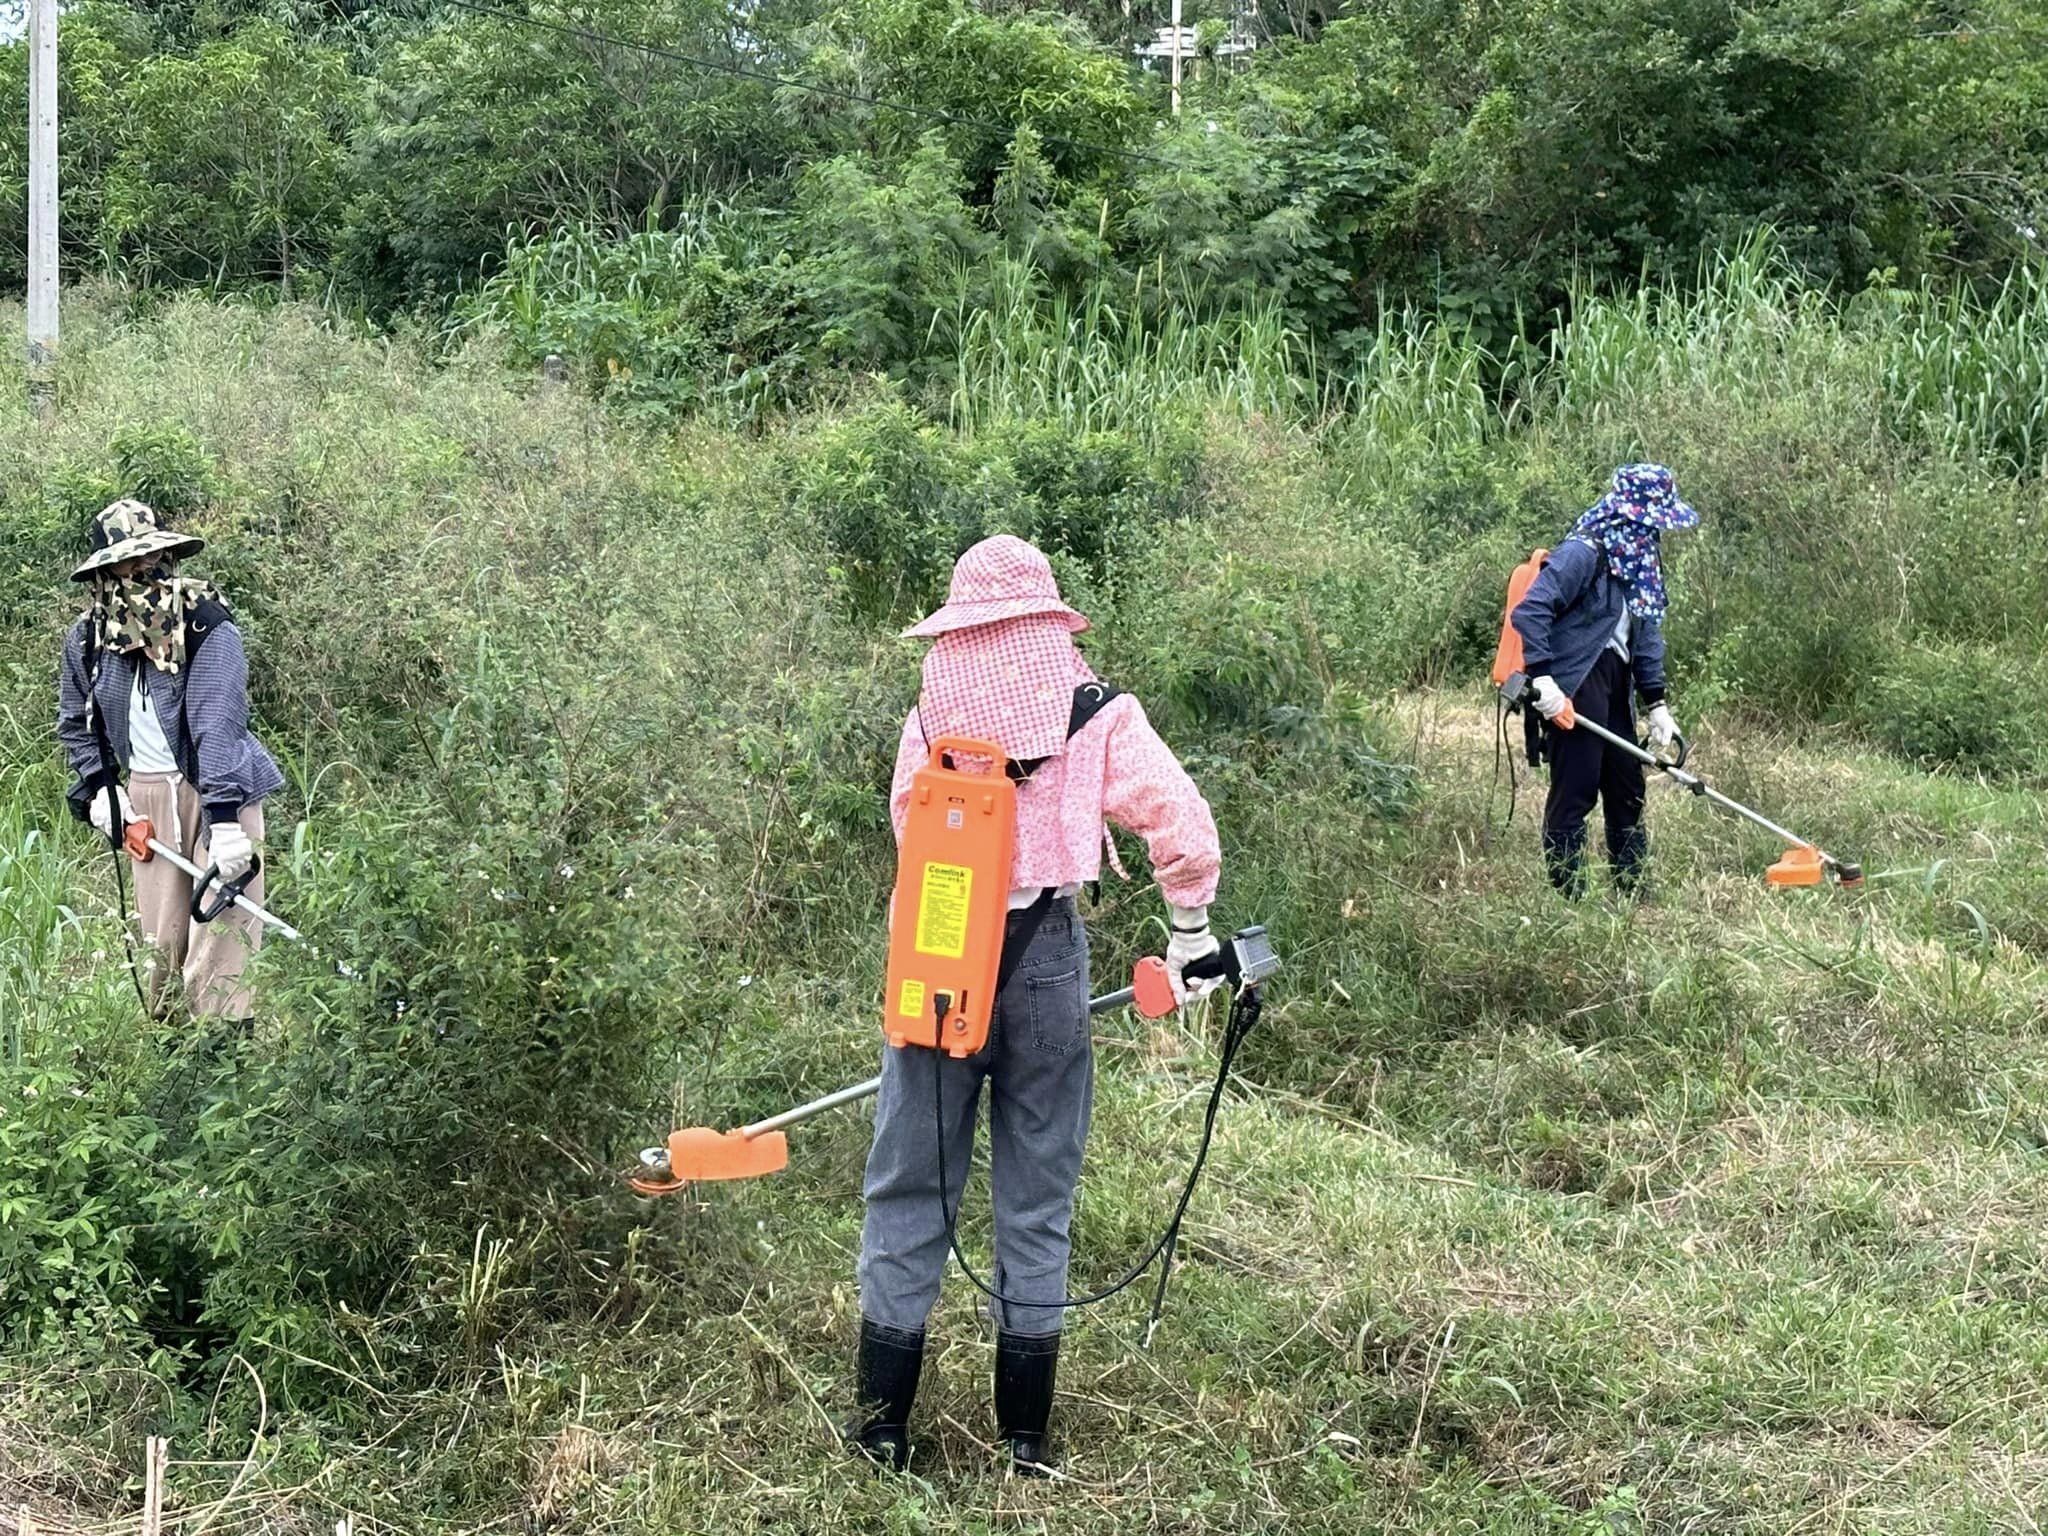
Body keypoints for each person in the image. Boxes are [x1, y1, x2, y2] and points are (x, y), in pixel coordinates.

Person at [852, 535, 1223, 1476]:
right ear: (1050, 619)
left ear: (961, 624)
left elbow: (907, 825)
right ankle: (1024, 1440)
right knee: (1036, 1200)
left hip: (933, 962)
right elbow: (1177, 818)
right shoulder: (1096, 709)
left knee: (908, 1189)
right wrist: (1187, 930)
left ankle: (881, 1429)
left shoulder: (932, 710)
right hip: (1046, 961)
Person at [56, 500, 285, 1023]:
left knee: (222, 945)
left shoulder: (206, 624)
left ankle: (228, 1070)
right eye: (130, 563)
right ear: (105, 572)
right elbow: (77, 722)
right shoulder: (89, 638)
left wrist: (224, 821)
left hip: (217, 789)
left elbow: (217, 722)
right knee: (162, 946)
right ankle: (173, 1068)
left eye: (154, 557)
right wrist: (101, 790)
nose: (144, 571)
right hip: (146, 798)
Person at [1511, 464, 1696, 896]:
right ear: (1630, 514)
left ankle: (1632, 891)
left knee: (1626, 785)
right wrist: (1544, 681)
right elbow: (1531, 610)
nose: (1656, 532)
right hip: (1575, 678)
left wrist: (1658, 704)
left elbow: (1647, 634)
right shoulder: (1584, 552)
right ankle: (1568, 897)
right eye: (1652, 521)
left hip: (1616, 682)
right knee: (1576, 787)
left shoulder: (1642, 564)